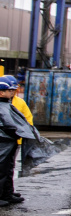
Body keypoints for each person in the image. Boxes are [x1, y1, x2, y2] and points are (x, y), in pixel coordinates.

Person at [0, 76, 36, 206]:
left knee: (8, 168)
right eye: (10, 90)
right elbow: (7, 124)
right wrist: (15, 132)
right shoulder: (3, 105)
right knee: (2, 169)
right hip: (4, 142)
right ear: (1, 92)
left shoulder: (9, 104)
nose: (13, 92)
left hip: (10, 142)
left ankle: (7, 193)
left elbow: (24, 119)